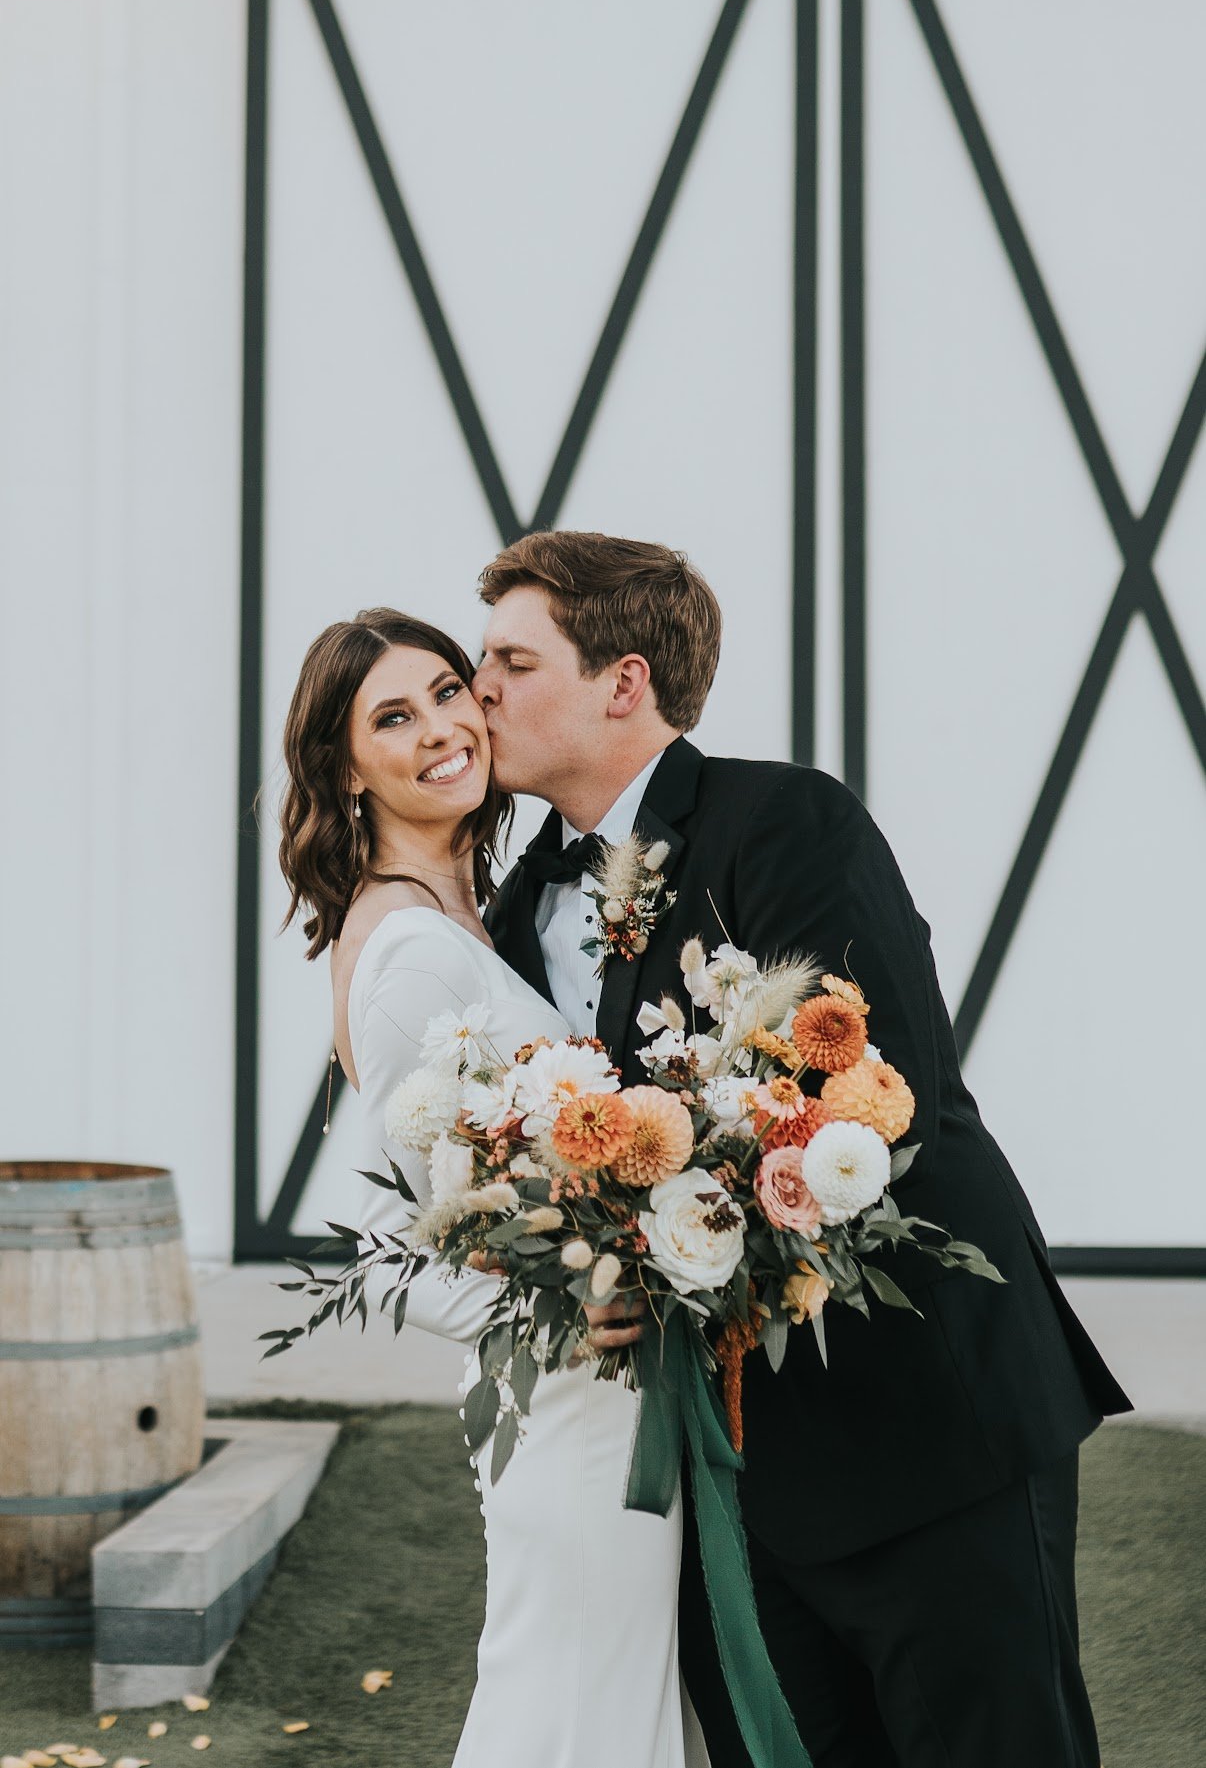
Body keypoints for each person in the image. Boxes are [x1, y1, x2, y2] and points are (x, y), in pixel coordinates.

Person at [475, 530, 1132, 1768]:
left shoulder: (785, 820)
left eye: (512, 658)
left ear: (623, 682)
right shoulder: (521, 910)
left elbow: (871, 1095)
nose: (483, 687)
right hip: (725, 1477)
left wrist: (643, 1227)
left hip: (923, 1416)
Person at [277, 607, 708, 1768]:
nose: (440, 729)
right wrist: (560, 1313)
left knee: (597, 1703)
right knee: (571, 1712)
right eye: (392, 717)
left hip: (603, 1394)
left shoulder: (466, 917)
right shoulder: (412, 951)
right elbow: (379, 1233)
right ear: (345, 767)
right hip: (568, 1397)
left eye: (448, 692)